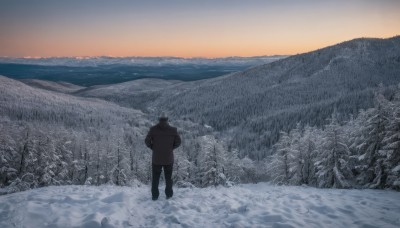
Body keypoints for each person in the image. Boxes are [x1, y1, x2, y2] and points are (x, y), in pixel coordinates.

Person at [145, 112, 181, 200]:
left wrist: (153, 148)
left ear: (159, 119)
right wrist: (171, 148)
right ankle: (168, 195)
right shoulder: (173, 130)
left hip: (156, 159)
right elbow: (178, 142)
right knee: (168, 178)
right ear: (167, 119)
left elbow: (147, 141)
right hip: (168, 158)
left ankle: (154, 196)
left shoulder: (153, 129)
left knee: (155, 178)